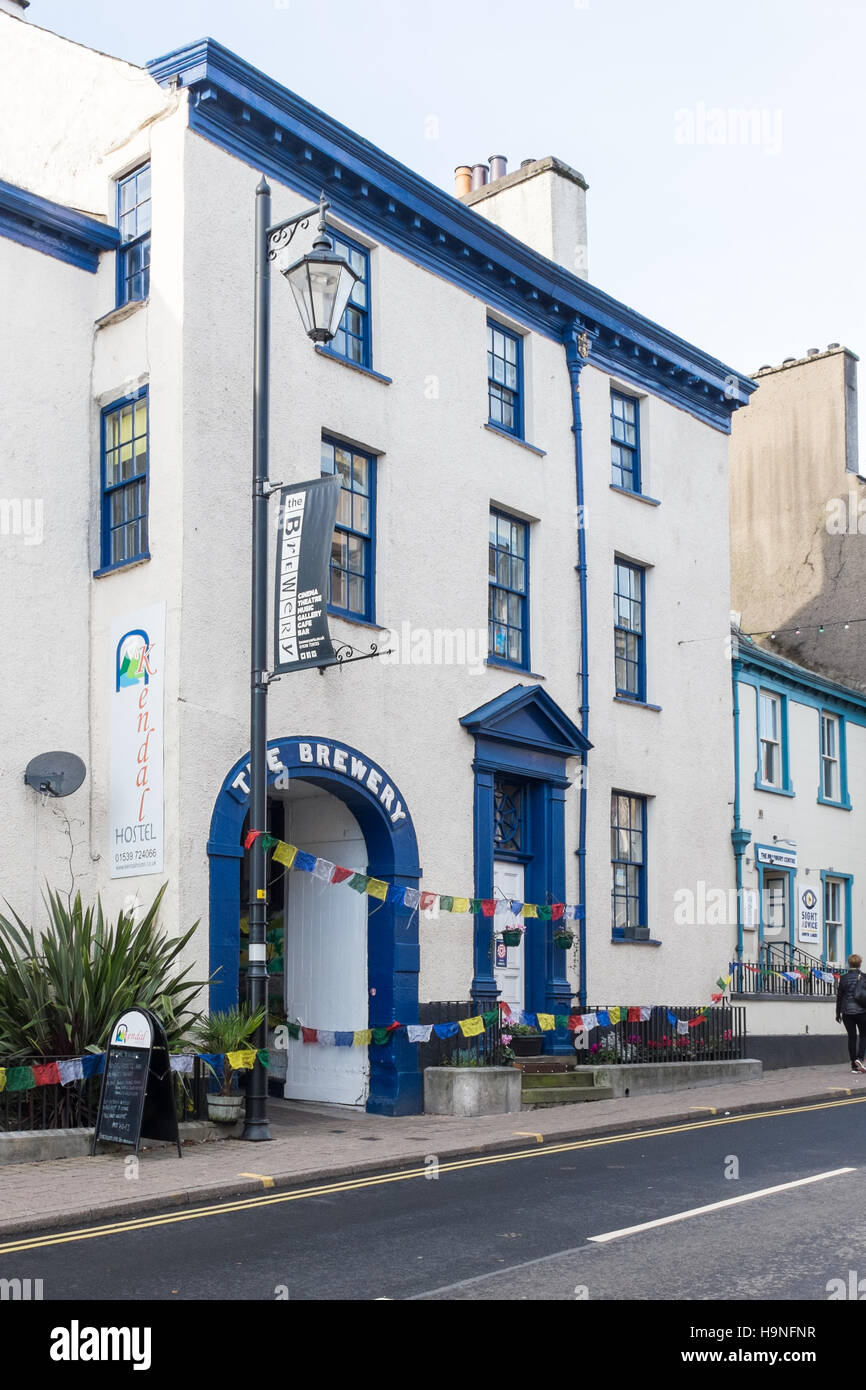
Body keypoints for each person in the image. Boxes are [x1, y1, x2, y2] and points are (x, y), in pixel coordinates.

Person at [836, 953, 866, 1073]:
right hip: (862, 1011)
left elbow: (839, 997)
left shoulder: (843, 978)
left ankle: (854, 1066)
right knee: (863, 1035)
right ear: (860, 964)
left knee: (852, 1038)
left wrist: (838, 1013)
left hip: (847, 1012)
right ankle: (860, 1058)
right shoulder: (864, 976)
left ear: (849, 964)